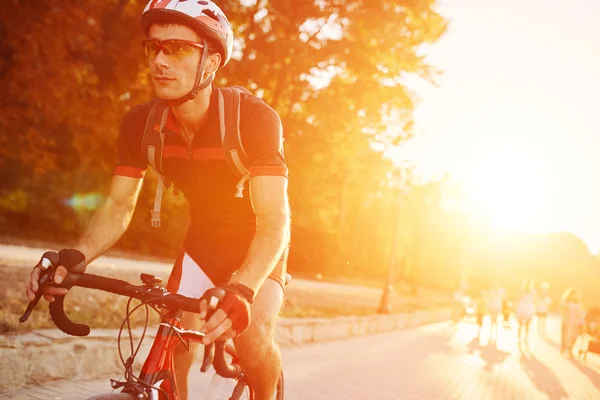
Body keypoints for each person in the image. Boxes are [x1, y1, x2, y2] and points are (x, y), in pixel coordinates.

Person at [24, 2, 291, 399]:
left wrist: (242, 290)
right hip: (204, 243)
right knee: (170, 350)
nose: (160, 61)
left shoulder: (253, 120)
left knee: (252, 338)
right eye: (154, 48)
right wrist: (75, 257)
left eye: (179, 49)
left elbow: (274, 221)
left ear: (211, 61)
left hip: (259, 245)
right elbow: (118, 206)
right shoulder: (140, 125)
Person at [560, 287, 585, 357]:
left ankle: (570, 349)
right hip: (566, 321)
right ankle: (563, 349)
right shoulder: (565, 301)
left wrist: (581, 321)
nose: (573, 296)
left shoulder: (577, 303)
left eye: (574, 294)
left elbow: (580, 312)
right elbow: (561, 309)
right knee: (565, 336)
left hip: (574, 322)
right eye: (572, 294)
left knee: (574, 336)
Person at [516, 279, 536, 349]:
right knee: (521, 324)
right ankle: (520, 337)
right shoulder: (522, 291)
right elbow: (518, 299)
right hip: (523, 307)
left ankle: (524, 336)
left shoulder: (533, 291)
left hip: (528, 308)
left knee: (526, 324)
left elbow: (534, 299)